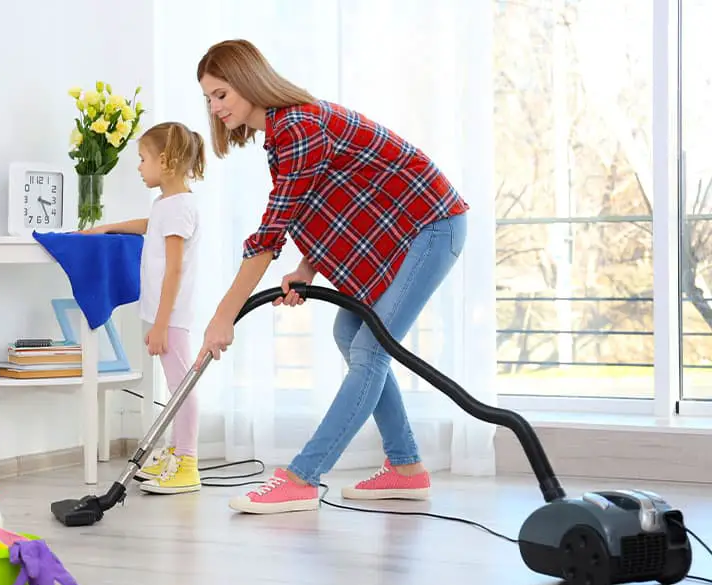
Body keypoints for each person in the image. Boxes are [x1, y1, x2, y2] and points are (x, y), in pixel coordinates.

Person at [195, 39, 469, 515]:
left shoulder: (298, 126)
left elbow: (269, 233)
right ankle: (407, 469)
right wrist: (306, 267)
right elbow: (321, 202)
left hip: (430, 225)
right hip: (406, 230)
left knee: (369, 348)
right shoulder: (283, 133)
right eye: (209, 98)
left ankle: (303, 477)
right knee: (351, 332)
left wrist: (225, 317)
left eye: (221, 94)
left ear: (247, 80)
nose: (215, 107)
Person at [82, 121, 206, 495]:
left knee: (182, 387)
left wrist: (161, 325)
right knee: (176, 384)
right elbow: (150, 225)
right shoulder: (168, 204)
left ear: (165, 161)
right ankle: (175, 454)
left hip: (171, 317)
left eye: (142, 159)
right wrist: (109, 227)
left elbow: (174, 269)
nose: (138, 166)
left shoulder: (179, 207)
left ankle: (187, 462)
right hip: (163, 314)